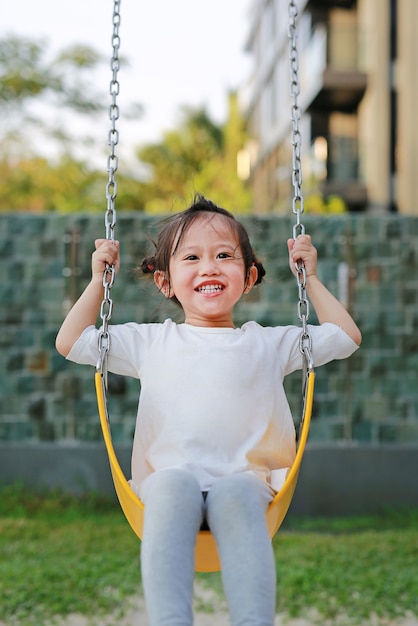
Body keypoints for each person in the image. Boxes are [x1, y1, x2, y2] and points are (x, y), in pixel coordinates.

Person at [56, 195, 361, 626]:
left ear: (249, 276)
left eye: (224, 255)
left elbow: (345, 336)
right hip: (167, 485)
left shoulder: (268, 342)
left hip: (247, 483)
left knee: (235, 492)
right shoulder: (150, 342)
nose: (210, 267)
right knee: (172, 485)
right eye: (192, 257)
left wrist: (309, 278)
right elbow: (71, 341)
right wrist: (97, 282)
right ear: (165, 282)